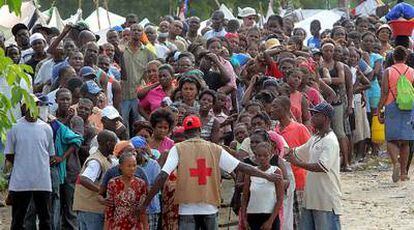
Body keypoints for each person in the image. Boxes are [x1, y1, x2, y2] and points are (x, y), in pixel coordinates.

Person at [139, 115, 282, 229]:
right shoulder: (214, 148)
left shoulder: (178, 148)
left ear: (185, 132)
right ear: (200, 131)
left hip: (187, 208)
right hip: (209, 207)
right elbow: (242, 166)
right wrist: (266, 175)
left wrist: (145, 204)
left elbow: (163, 175)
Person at [286, 102, 342, 230]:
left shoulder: (330, 141)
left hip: (326, 200)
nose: (312, 117)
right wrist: (283, 149)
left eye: (316, 115)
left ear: (326, 118)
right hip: (311, 198)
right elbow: (297, 151)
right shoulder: (315, 138)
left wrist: (298, 163)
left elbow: (322, 166)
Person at [5, 94, 55, 230]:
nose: (34, 108)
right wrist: (23, 164)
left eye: (36, 105)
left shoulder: (46, 128)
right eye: (30, 105)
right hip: (21, 181)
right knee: (18, 219)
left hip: (42, 181)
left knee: (45, 219)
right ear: (23, 107)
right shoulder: (14, 128)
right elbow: (9, 154)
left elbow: (50, 154)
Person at [377, 46, 414, 182]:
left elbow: (384, 93)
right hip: (408, 107)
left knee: (392, 139)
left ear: (393, 57)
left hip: (391, 106)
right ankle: (404, 173)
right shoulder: (412, 71)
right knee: (405, 141)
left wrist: (379, 109)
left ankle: (395, 163)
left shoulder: (388, 71)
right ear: (406, 57)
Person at [73, 130, 118, 230]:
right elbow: (84, 179)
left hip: (89, 209)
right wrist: (101, 191)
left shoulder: (106, 158)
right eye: (115, 143)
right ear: (108, 143)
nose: (115, 146)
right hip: (91, 209)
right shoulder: (96, 161)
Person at [120, 23, 156, 135]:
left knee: (138, 124)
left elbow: (152, 71)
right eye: (134, 30)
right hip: (123, 93)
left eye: (139, 30)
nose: (136, 32)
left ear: (142, 33)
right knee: (123, 124)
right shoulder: (121, 50)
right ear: (130, 32)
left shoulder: (148, 52)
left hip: (139, 95)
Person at [241, 142, 284, 230]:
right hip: (253, 216)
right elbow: (245, 197)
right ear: (255, 156)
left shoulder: (276, 171)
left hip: (270, 215)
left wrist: (270, 221)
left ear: (271, 155)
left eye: (265, 155)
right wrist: (244, 219)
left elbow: (280, 198)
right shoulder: (250, 172)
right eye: (259, 155)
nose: (262, 158)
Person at [104, 152, 149, 229]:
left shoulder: (141, 184)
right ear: (121, 167)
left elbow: (143, 211)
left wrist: (146, 227)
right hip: (117, 226)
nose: (132, 169)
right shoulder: (113, 183)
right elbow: (109, 211)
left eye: (134, 165)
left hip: (135, 226)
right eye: (129, 166)